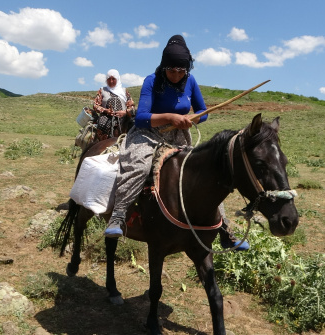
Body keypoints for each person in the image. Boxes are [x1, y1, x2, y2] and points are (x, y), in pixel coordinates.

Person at [103, 35, 249, 251]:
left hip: (179, 137)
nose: (177, 75)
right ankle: (118, 216)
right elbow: (141, 116)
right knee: (139, 166)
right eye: (172, 71)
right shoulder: (152, 80)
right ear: (164, 67)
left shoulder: (190, 81)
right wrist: (170, 117)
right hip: (147, 134)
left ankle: (224, 229)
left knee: (204, 174)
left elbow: (202, 111)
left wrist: (194, 118)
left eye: (182, 71)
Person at [92, 69, 135, 140]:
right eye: (109, 79)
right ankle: (101, 146)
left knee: (132, 126)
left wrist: (124, 112)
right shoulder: (102, 90)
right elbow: (95, 105)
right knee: (102, 124)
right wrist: (106, 110)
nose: (111, 81)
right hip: (106, 116)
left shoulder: (124, 91)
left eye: (113, 79)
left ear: (117, 79)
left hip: (123, 117)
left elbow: (132, 107)